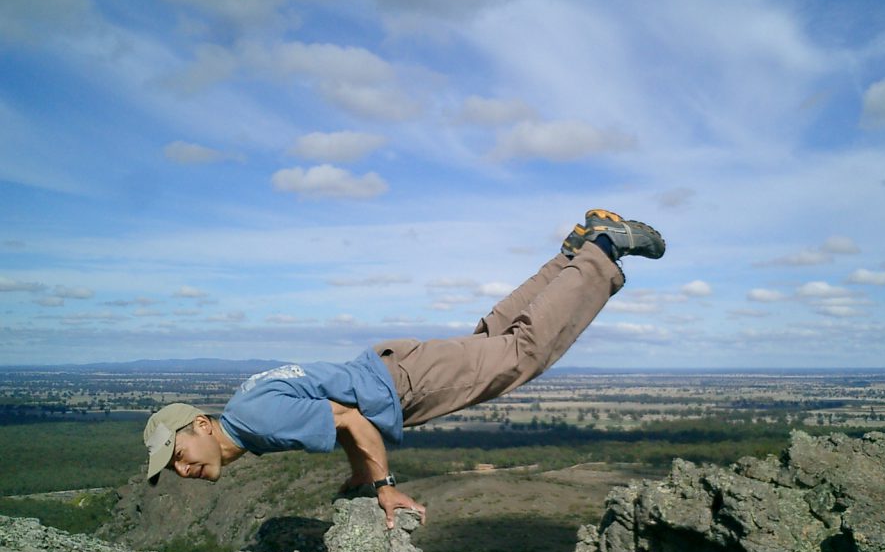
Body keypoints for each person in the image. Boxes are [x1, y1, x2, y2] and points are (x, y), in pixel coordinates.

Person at [142, 209, 665, 528]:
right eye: (174, 468)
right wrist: (361, 476)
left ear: (203, 426)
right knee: (499, 344)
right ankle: (571, 254)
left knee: (522, 354)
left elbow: (351, 419)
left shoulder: (254, 422)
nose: (183, 470)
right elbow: (338, 413)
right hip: (396, 372)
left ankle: (602, 247)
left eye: (181, 454)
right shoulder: (248, 408)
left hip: (403, 383)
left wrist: (384, 484)